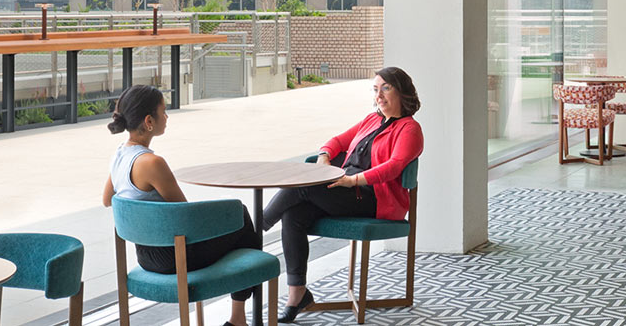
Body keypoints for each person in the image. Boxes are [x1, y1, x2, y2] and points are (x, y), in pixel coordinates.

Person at [263, 66, 423, 323]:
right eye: (375, 89)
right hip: (346, 189)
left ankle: (258, 226)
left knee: (305, 184)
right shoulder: (372, 119)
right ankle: (298, 294)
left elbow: (393, 167)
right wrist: (324, 158)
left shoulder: (409, 129)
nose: (379, 95)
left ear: (402, 91)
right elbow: (336, 141)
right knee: (294, 213)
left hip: (373, 199)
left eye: (386, 88)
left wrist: (353, 180)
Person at [103, 85, 263, 326]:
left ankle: (239, 316)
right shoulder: (152, 162)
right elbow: (185, 213)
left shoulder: (120, 155)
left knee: (235, 222)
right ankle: (238, 316)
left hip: (145, 255)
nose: (166, 117)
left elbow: (108, 200)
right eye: (163, 111)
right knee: (239, 215)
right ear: (149, 121)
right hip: (173, 257)